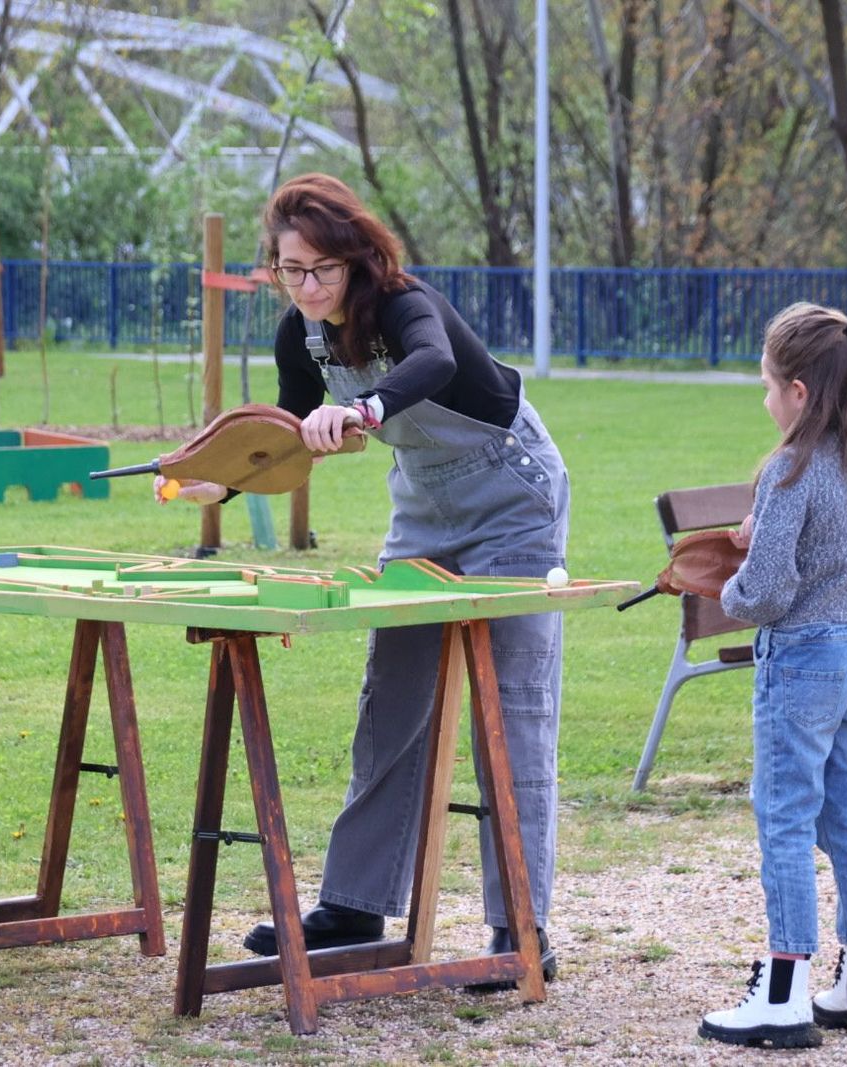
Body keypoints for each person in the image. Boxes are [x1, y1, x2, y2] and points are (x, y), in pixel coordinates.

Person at [156, 173, 569, 987]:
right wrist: (219, 480)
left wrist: (368, 411)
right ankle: (351, 905)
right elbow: (283, 436)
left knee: (511, 707)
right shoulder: (299, 336)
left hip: (512, 498)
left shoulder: (408, 305)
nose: (308, 286)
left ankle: (519, 925)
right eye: (291, 269)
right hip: (425, 507)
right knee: (394, 695)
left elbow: (433, 361)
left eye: (324, 268)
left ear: (356, 258)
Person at [697, 302, 847, 1048]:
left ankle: (783, 993)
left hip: (801, 658)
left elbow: (766, 593)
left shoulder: (788, 470)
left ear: (798, 391)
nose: (764, 400)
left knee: (783, 819)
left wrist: (727, 586)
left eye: (766, 384)